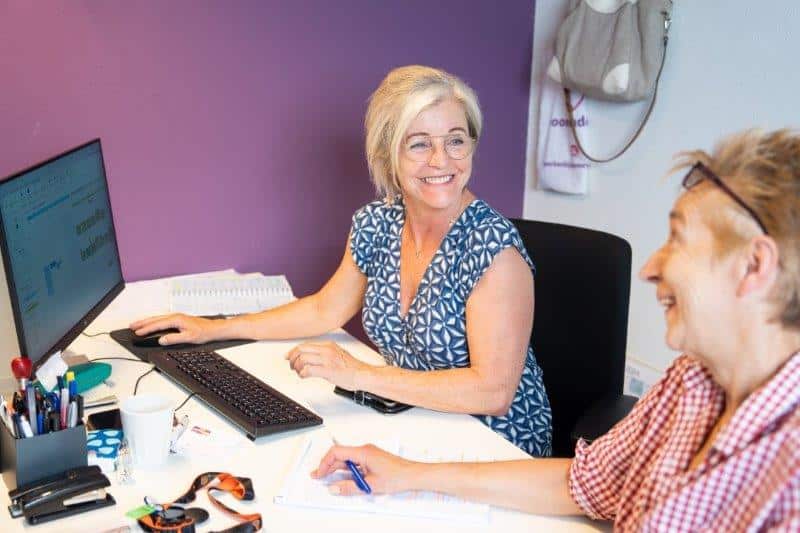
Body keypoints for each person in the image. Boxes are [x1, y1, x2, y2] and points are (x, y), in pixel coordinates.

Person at [311, 129, 800, 531]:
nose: (651, 268)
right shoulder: (690, 381)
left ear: (754, 266)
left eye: (679, 241)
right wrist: (408, 474)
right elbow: (582, 484)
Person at [130, 65, 552, 457]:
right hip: (419, 420)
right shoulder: (379, 222)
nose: (441, 160)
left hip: (496, 445)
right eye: (420, 143)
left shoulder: (493, 249)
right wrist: (215, 328)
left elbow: (493, 392)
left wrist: (358, 373)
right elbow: (324, 309)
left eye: (455, 140)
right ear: (388, 154)